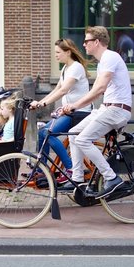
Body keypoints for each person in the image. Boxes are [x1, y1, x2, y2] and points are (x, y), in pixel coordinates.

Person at [61, 26, 132, 199]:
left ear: (97, 42)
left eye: (87, 41)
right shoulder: (103, 62)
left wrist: (75, 105)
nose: (84, 45)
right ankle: (77, 178)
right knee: (73, 132)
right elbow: (97, 91)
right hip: (107, 108)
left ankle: (111, 178)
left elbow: (99, 88)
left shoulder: (110, 57)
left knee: (83, 139)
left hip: (117, 110)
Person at [30, 39, 91, 183]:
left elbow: (64, 90)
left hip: (78, 113)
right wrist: (39, 102)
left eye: (58, 52)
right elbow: (57, 89)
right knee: (41, 133)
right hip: (68, 112)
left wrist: (43, 103)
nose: (55, 55)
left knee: (47, 133)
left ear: (68, 52)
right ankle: (41, 171)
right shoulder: (65, 68)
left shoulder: (76, 67)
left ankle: (71, 168)